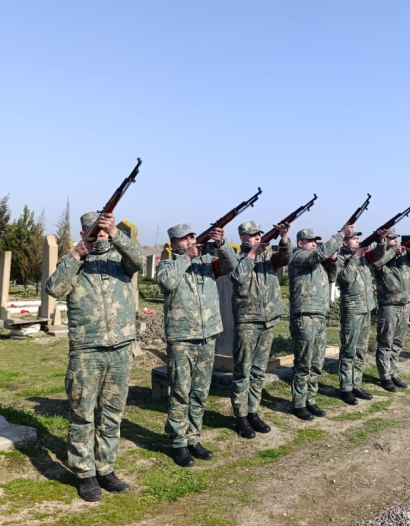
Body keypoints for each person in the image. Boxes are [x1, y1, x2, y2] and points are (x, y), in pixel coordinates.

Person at [45, 211, 145, 502]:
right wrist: (77, 254)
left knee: (112, 414)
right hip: (87, 351)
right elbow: (54, 288)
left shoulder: (120, 259)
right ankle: (84, 472)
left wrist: (115, 233)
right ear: (83, 234)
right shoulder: (75, 261)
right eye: (95, 232)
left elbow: (139, 261)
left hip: (120, 349)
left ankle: (105, 468)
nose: (100, 236)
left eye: (103, 232)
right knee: (83, 414)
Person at [156, 223, 238, 465]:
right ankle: (178, 442)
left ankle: (193, 437)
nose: (191, 241)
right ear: (174, 243)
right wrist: (186, 258)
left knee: (200, 392)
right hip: (182, 338)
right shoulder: (167, 264)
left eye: (192, 236)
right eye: (185, 238)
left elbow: (231, 266)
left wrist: (222, 244)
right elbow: (166, 283)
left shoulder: (207, 263)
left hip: (207, 336)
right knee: (181, 392)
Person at [229, 220, 291, 439]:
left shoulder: (268, 257)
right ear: (242, 238)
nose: (257, 237)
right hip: (247, 320)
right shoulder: (236, 258)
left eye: (259, 234)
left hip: (267, 320)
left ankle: (253, 411)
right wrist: (252, 255)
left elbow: (285, 258)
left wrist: (284, 238)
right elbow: (238, 277)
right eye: (252, 234)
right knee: (242, 371)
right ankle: (240, 416)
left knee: (258, 371)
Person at [288, 223, 354, 420]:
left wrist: (332, 261)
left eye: (315, 241)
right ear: (300, 243)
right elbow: (317, 255)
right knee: (303, 363)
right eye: (310, 241)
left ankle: (311, 400)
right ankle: (299, 403)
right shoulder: (299, 257)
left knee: (317, 362)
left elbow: (332, 277)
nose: (313, 244)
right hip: (305, 316)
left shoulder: (318, 264)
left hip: (319, 316)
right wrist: (340, 235)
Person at [369, 227, 410, 392]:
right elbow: (376, 264)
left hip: (405, 303)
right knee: (386, 342)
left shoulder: (404, 253)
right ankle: (385, 377)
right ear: (384, 240)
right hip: (389, 304)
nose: (396, 240)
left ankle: (393, 373)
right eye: (392, 238)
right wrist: (392, 252)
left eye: (396, 238)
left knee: (398, 342)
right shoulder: (378, 254)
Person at [335, 230, 386, 405]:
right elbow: (345, 278)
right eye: (354, 238)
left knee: (361, 350)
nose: (357, 241)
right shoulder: (341, 259)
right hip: (352, 310)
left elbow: (378, 255)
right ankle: (346, 388)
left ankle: (356, 384)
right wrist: (355, 258)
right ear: (345, 242)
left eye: (358, 238)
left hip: (366, 309)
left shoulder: (362, 256)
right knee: (349, 350)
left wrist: (381, 242)